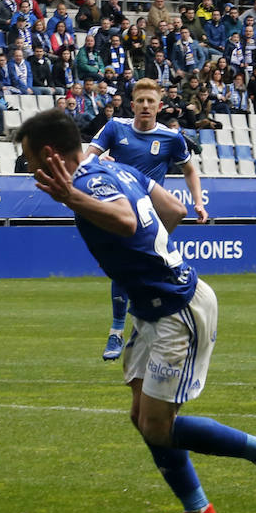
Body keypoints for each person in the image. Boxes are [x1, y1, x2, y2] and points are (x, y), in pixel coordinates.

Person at [18, 108, 256, 513]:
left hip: (175, 309)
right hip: (154, 305)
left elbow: (128, 222)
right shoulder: (114, 168)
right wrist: (150, 258)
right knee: (142, 416)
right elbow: (173, 207)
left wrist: (73, 200)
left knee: (156, 425)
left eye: (31, 159)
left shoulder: (87, 183)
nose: (31, 168)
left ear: (50, 153)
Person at [84, 79, 207, 361]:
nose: (145, 106)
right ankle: (117, 329)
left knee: (144, 267)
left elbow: (190, 170)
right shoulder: (116, 127)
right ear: (132, 104)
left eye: (151, 101)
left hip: (152, 215)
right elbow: (87, 159)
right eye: (140, 101)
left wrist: (198, 202)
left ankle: (141, 324)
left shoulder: (171, 138)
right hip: (122, 212)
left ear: (159, 106)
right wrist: (100, 164)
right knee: (127, 267)